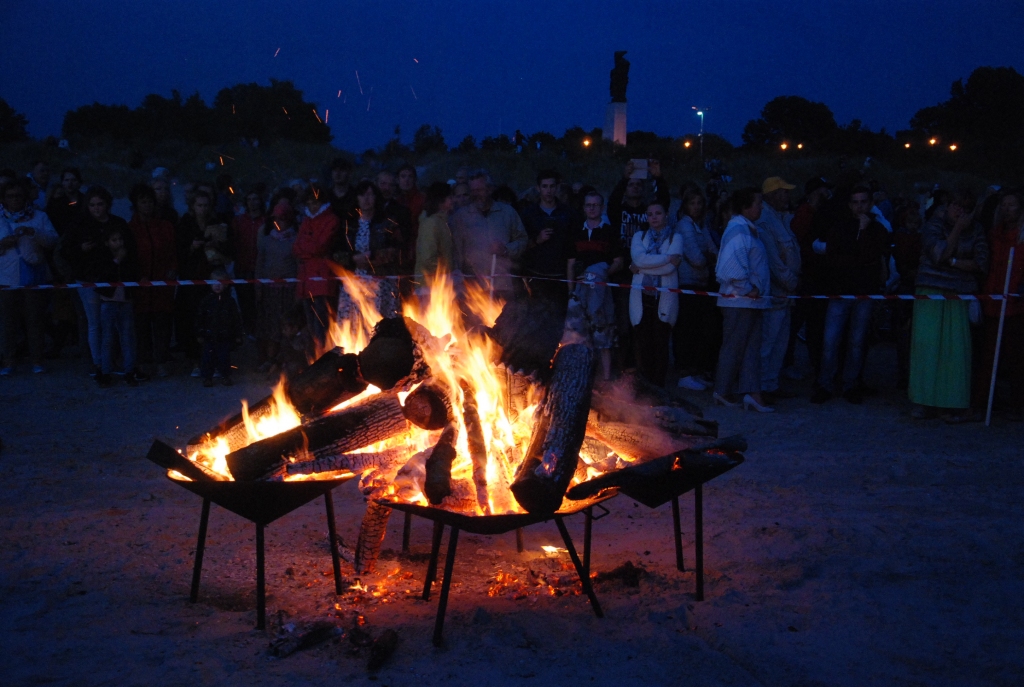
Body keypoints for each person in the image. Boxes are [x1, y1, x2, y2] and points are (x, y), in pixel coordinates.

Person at [908, 189, 989, 421]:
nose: (959, 211)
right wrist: (956, 232)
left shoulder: (978, 231)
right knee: (927, 347)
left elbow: (981, 263)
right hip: (930, 291)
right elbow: (938, 255)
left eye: (965, 207)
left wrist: (953, 261)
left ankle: (951, 402)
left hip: (960, 294)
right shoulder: (933, 225)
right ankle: (923, 401)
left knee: (955, 352)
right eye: (956, 205)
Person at [812, 186, 891, 404]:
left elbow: (871, 257)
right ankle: (825, 384)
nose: (859, 206)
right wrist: (857, 259)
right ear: (849, 205)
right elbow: (834, 258)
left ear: (870, 203)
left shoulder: (877, 229)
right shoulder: (839, 228)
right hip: (840, 291)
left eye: (863, 202)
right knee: (830, 341)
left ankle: (851, 384)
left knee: (857, 342)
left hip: (864, 293)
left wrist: (863, 235)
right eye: (855, 202)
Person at [713, 188, 773, 412]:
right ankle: (723, 389)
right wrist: (748, 288)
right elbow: (729, 267)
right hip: (739, 300)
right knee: (735, 347)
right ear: (746, 207)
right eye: (758, 203)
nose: (761, 207)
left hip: (749, 301)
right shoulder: (738, 230)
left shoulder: (746, 229)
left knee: (749, 348)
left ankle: (751, 392)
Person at [608, 159, 670, 369]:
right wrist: (624, 177)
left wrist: (658, 177)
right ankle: (624, 368)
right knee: (624, 323)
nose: (635, 187)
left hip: (647, 271)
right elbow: (612, 201)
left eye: (638, 184)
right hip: (624, 272)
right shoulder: (619, 210)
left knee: (644, 322)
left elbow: (664, 203)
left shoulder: (648, 211)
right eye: (631, 184)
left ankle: (641, 368)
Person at [62, 186, 129, 375]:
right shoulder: (79, 225)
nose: (97, 208)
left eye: (100, 204)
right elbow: (65, 251)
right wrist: (81, 249)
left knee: (113, 322)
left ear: (107, 204)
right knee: (94, 322)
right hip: (88, 279)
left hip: (112, 279)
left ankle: (110, 360)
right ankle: (97, 362)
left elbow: (129, 248)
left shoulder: (118, 223)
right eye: (92, 205)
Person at [972, 189, 1024, 419]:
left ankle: (1017, 403)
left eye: (1012, 205)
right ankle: (984, 400)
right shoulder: (994, 234)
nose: (1007, 210)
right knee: (989, 353)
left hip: (1016, 300)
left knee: (1016, 356)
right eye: (1004, 205)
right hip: (994, 297)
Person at [0, 179, 59, 374]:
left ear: (24, 197)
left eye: (18, 195)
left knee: (35, 321)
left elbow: (52, 241)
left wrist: (33, 232)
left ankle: (37, 360)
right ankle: (8, 361)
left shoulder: (39, 216)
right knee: (7, 322)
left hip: (33, 275)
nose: (14, 200)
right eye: (10, 196)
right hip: (6, 278)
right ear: (4, 199)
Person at [628, 200, 683, 387]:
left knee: (661, 342)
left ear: (666, 214)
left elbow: (667, 270)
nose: (654, 217)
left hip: (664, 297)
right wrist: (667, 259)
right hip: (641, 296)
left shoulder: (676, 237)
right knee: (643, 343)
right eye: (650, 214)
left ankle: (659, 387)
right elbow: (639, 258)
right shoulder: (639, 236)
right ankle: (645, 386)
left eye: (658, 213)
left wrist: (643, 267)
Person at [449, 170, 528, 301]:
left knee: (503, 321)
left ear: (490, 189)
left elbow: (523, 240)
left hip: (503, 285)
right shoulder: (461, 217)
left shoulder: (507, 213)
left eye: (480, 190)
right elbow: (454, 251)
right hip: (473, 288)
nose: (476, 194)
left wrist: (505, 249)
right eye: (473, 191)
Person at [755, 177, 801, 402]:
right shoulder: (764, 220)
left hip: (785, 294)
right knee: (768, 342)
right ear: (772, 195)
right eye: (783, 192)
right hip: (775, 292)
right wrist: (791, 282)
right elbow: (773, 260)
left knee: (780, 343)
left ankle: (772, 384)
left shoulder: (780, 218)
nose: (787, 196)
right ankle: (762, 386)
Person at [568, 191, 621, 380]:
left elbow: (618, 261)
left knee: (603, 332)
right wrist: (571, 292)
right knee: (580, 334)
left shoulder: (610, 231)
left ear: (602, 207)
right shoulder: (576, 231)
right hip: (580, 291)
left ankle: (605, 379)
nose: (592, 208)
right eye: (589, 205)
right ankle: (584, 377)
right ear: (584, 208)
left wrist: (601, 275)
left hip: (602, 291)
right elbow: (571, 263)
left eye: (596, 205)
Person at [175, 189, 229, 375]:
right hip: (192, 278)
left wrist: (217, 244)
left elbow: (228, 249)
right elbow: (178, 251)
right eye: (199, 205)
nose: (203, 209)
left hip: (213, 275)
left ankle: (215, 359)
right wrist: (193, 246)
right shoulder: (185, 223)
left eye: (206, 205)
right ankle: (195, 361)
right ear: (192, 206)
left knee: (215, 319)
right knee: (192, 319)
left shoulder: (216, 222)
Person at [673, 185, 721, 391]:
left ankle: (693, 371)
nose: (696, 207)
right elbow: (697, 258)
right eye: (692, 203)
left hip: (700, 283)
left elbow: (714, 251)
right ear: (685, 205)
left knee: (697, 330)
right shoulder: (684, 226)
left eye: (699, 203)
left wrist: (710, 258)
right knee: (687, 329)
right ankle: (685, 373)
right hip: (687, 283)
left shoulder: (699, 226)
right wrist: (709, 259)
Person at [128, 184, 177, 377]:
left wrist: (173, 269)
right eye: (143, 202)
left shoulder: (165, 227)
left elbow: (173, 250)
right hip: (140, 286)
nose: (147, 205)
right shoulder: (130, 228)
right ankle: (144, 362)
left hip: (162, 284)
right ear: (136, 204)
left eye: (149, 201)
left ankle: (162, 361)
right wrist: (135, 276)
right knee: (141, 326)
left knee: (162, 324)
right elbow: (130, 257)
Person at [785, 177, 832, 380]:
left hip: (813, 274)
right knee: (797, 322)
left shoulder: (817, 212)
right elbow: (798, 241)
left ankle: (813, 363)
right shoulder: (805, 213)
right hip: (807, 274)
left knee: (811, 323)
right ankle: (789, 363)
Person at [334, 180, 402, 317]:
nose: (366, 199)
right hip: (353, 281)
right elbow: (336, 252)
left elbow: (396, 249)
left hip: (379, 281)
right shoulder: (348, 225)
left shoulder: (387, 224)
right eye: (362, 195)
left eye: (370, 195)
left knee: (377, 319)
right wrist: (353, 259)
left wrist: (372, 257)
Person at [93, 225, 148, 387]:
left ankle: (129, 371)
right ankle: (105, 373)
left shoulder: (129, 257)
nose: (118, 243)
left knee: (128, 338)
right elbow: (102, 276)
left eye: (120, 239)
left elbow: (135, 273)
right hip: (108, 302)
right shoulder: (102, 258)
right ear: (107, 243)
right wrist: (116, 260)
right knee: (108, 338)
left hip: (126, 301)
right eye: (114, 240)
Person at [520, 169, 578, 314]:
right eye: (545, 186)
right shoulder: (528, 214)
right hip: (536, 276)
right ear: (538, 188)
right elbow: (520, 245)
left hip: (560, 277)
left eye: (552, 186)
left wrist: (571, 285)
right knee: (536, 321)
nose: (549, 190)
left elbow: (573, 250)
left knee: (558, 324)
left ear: (557, 188)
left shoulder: (568, 214)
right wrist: (537, 240)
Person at [293, 183, 340, 352]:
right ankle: (314, 358)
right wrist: (309, 250)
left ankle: (323, 356)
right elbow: (296, 248)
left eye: (316, 203)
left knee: (322, 323)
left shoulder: (330, 220)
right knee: (311, 324)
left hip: (322, 280)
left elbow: (320, 246)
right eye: (310, 203)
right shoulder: (307, 221)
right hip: (308, 279)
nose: (312, 206)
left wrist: (306, 249)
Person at [255, 195, 299, 372]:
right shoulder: (266, 239)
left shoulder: (295, 239)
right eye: (277, 218)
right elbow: (260, 262)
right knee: (270, 326)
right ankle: (270, 359)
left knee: (288, 326)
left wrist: (298, 290)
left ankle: (287, 361)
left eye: (283, 218)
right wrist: (258, 286)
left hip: (288, 290)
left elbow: (297, 265)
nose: (280, 222)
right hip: (270, 290)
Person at [195, 268, 243, 387]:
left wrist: (238, 335)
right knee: (207, 358)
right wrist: (200, 333)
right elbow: (200, 318)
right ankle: (207, 377)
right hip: (209, 336)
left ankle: (225, 376)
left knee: (224, 358)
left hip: (224, 336)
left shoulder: (230, 301)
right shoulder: (206, 301)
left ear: (226, 285)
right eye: (214, 282)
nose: (218, 286)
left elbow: (236, 319)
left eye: (221, 283)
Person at [231, 189, 264, 335]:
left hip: (260, 266)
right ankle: (248, 329)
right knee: (245, 301)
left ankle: (261, 329)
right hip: (242, 266)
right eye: (249, 199)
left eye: (255, 199)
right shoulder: (239, 221)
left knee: (261, 301)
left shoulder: (266, 220)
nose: (252, 202)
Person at [414, 182, 454, 279]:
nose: (453, 200)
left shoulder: (442, 222)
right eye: (450, 197)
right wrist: (445, 274)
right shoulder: (431, 223)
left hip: (439, 283)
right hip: (430, 284)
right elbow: (427, 258)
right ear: (440, 200)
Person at [375, 171, 414, 269]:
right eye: (383, 184)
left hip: (391, 264)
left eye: (391, 185)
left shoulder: (402, 211)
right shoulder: (367, 208)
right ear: (376, 184)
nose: (387, 188)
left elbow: (405, 239)